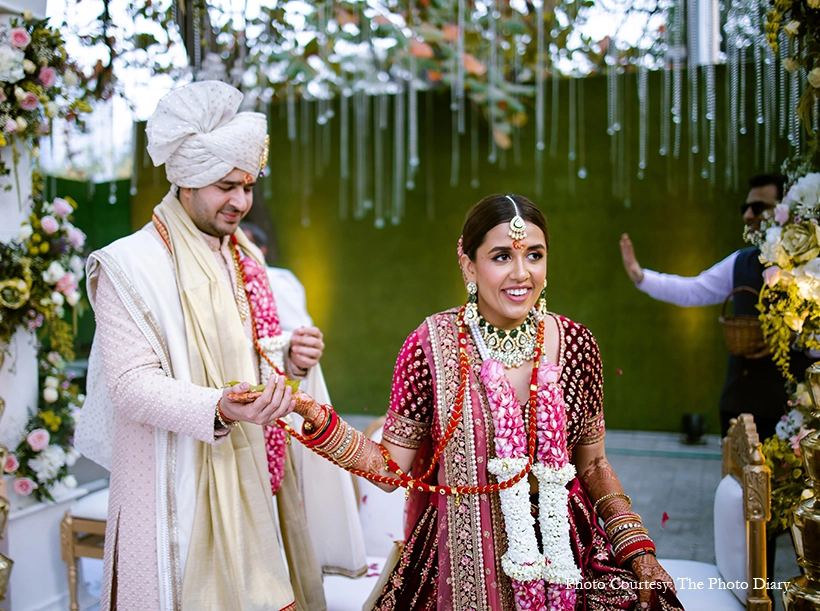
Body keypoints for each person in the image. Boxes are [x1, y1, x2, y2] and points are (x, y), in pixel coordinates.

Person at [233, 194, 683, 610]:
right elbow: (390, 471)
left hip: (566, 551)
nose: (521, 273)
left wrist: (636, 549)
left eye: (534, 255)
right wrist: (311, 412)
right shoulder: (430, 345)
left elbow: (593, 463)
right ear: (468, 265)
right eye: (501, 256)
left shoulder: (577, 344)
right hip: (457, 559)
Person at [76, 80, 327, 611]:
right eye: (225, 186)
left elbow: (246, 352)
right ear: (186, 181)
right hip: (167, 482)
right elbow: (129, 385)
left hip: (247, 471)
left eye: (248, 186)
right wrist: (218, 406)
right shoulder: (128, 265)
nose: (241, 202)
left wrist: (287, 357)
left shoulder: (243, 256)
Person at [619, 173, 813, 441]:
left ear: (786, 211)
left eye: (758, 207)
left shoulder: (812, 266)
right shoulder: (741, 262)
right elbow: (692, 291)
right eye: (745, 208)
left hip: (797, 411)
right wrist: (640, 276)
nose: (747, 215)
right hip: (740, 403)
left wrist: (790, 338)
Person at [240, 222, 368, 577]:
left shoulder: (279, 282)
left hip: (281, 405)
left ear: (262, 252)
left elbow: (296, 339)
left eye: (248, 248)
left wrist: (296, 356)